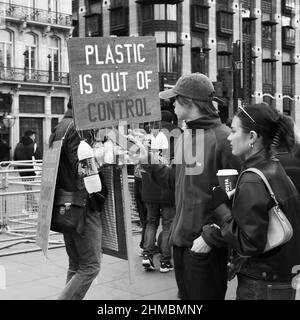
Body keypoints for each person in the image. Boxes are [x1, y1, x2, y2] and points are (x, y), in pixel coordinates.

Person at [132, 73, 240, 299]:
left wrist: (211, 238)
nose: (171, 102)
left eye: (175, 98)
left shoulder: (224, 139)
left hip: (205, 248)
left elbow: (240, 199)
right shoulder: (185, 136)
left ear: (189, 102)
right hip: (180, 244)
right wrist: (147, 160)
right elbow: (174, 181)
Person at [211, 103, 300, 300]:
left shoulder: (253, 178)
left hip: (261, 285)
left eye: (234, 131)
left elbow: (248, 243)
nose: (229, 137)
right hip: (280, 279)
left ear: (251, 136)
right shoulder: (274, 167)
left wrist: (220, 209)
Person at [49, 97, 107, 300]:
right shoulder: (76, 127)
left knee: (76, 264)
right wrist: (104, 157)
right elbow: (82, 169)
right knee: (91, 266)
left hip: (66, 202)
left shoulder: (61, 125)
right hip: (82, 204)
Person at [141, 110, 180, 273]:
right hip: (167, 186)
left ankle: (147, 255)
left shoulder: (146, 137)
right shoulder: (179, 135)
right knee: (167, 224)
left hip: (149, 185)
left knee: (151, 221)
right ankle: (165, 261)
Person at [13, 130, 42, 212]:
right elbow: (39, 159)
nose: (34, 137)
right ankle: (34, 207)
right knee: (29, 188)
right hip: (31, 170)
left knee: (28, 188)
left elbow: (15, 158)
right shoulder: (34, 145)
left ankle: (28, 208)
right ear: (31, 136)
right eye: (33, 135)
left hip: (22, 170)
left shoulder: (18, 145)